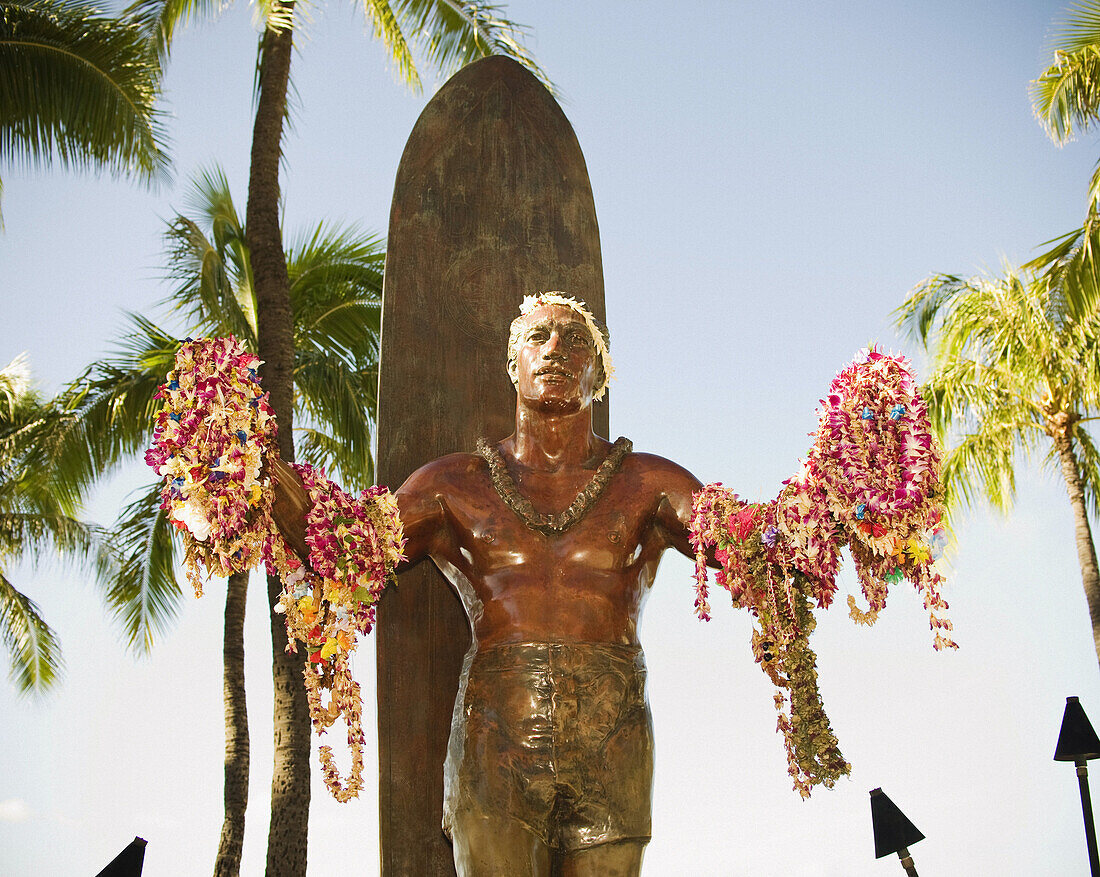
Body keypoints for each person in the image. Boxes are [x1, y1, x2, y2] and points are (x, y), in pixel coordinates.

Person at [273, 293, 713, 877]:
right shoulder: (454, 484)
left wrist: (849, 483)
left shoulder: (650, 482)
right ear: (513, 365)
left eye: (575, 339)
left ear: (600, 373)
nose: (555, 348)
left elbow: (750, 544)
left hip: (613, 733)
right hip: (496, 735)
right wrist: (250, 472)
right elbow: (343, 547)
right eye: (538, 337)